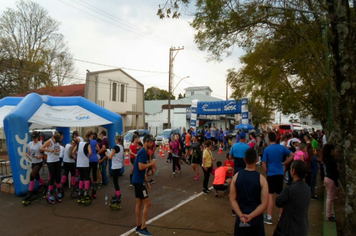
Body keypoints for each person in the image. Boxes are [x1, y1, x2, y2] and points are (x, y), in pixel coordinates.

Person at [230, 148, 268, 236]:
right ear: (256, 160)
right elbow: (264, 204)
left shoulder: (236, 176)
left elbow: (232, 199)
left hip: (241, 219)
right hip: (256, 219)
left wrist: (241, 215)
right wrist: (251, 216)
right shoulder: (262, 179)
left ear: (244, 160)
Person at [262, 132, 294, 225]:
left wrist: (266, 172)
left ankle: (269, 217)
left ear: (269, 139)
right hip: (280, 173)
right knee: (279, 195)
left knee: (270, 195)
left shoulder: (267, 149)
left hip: (271, 174)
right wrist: (285, 163)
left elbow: (264, 163)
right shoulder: (281, 147)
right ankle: (281, 217)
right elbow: (292, 154)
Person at [275, 160, 311, 236]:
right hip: (302, 227)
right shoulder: (307, 188)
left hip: (289, 228)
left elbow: (278, 202)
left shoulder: (290, 189)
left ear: (293, 171)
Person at [132, 135, 157, 236]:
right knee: (147, 203)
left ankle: (138, 226)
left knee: (139, 203)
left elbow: (139, 170)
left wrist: (147, 182)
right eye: (150, 142)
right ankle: (143, 227)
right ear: (146, 142)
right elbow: (141, 167)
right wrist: (151, 164)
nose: (152, 144)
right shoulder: (143, 152)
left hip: (138, 180)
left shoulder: (142, 152)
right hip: (138, 182)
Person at [22, 132, 46, 204]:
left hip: (38, 162)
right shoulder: (30, 143)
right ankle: (44, 185)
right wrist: (27, 154)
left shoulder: (40, 144)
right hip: (33, 161)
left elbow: (44, 155)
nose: (34, 139)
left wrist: (39, 157)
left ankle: (29, 193)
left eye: (35, 138)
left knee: (32, 176)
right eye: (33, 138)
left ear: (37, 137)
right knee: (37, 176)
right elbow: (29, 152)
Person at [41, 132, 63, 204]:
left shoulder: (56, 143)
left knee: (58, 177)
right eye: (56, 140)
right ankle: (49, 194)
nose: (57, 141)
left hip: (56, 160)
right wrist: (49, 150)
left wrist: (58, 151)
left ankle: (57, 191)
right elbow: (41, 148)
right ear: (54, 138)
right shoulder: (49, 141)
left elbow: (56, 153)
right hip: (50, 161)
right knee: (52, 177)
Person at [105, 135, 124, 206]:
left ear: (117, 140)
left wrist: (107, 154)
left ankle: (118, 196)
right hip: (119, 165)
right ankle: (117, 194)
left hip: (115, 166)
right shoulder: (121, 147)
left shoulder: (116, 147)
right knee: (115, 181)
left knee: (115, 182)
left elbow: (110, 157)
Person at [73, 136, 92, 204]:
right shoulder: (88, 145)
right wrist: (88, 158)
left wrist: (77, 156)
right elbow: (90, 152)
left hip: (79, 164)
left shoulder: (79, 144)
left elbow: (73, 151)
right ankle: (86, 191)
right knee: (87, 178)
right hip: (85, 164)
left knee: (81, 178)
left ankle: (80, 192)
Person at [323, 144, 339, 221]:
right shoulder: (331, 160)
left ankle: (329, 213)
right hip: (331, 179)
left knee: (329, 197)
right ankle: (329, 215)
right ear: (331, 151)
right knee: (330, 198)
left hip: (327, 178)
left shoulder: (326, 159)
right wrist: (337, 183)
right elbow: (335, 172)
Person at [86, 131, 100, 198]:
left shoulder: (86, 141)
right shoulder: (95, 142)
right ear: (91, 135)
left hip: (88, 158)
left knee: (88, 173)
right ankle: (94, 190)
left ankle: (87, 188)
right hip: (94, 158)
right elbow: (98, 149)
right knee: (94, 173)